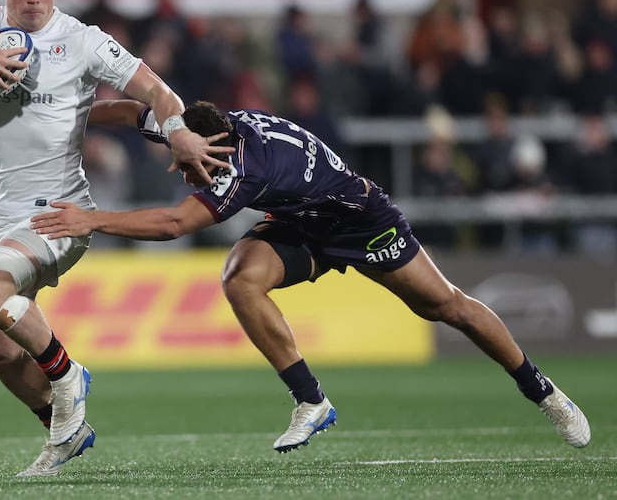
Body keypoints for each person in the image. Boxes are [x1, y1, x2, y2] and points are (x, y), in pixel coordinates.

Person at [31, 99, 591, 453]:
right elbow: (131, 111)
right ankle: (311, 400)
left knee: (447, 307)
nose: (180, 168)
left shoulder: (241, 167)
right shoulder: (197, 129)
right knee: (239, 277)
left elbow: (176, 224)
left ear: (213, 154)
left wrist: (91, 219)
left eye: (185, 164)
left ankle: (543, 392)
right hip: (302, 221)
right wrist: (69, 115)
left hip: (359, 221)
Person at [0, 0, 232, 477]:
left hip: (59, 214)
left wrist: (175, 130)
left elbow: (157, 90)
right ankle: (64, 430)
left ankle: (67, 376)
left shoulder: (83, 41)